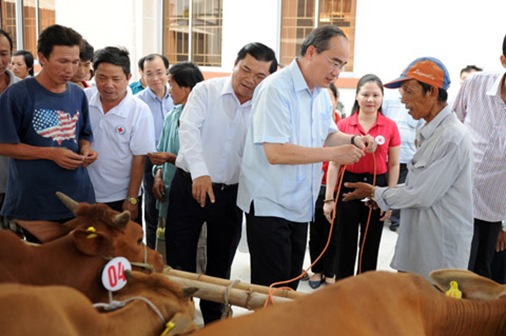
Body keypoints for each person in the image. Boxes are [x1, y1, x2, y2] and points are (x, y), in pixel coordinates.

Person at [237, 25, 376, 291]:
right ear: (311, 52)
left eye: (343, 65)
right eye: (334, 62)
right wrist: (335, 153)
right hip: (270, 205)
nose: (337, 72)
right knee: (271, 293)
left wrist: (353, 140)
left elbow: (326, 135)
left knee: (289, 288)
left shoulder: (322, 95)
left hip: (300, 205)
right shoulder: (276, 88)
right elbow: (275, 152)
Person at [165, 42, 277, 325]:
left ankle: (214, 323)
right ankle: (180, 319)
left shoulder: (265, 106)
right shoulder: (207, 91)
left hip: (229, 196)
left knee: (219, 265)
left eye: (260, 76)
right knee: (180, 262)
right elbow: (188, 129)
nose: (250, 80)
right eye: (246, 70)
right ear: (235, 64)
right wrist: (200, 172)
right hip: (189, 186)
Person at [343, 57, 474, 281]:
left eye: (409, 92)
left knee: (433, 312)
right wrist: (384, 195)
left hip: (438, 253)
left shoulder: (452, 137)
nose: (403, 100)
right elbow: (419, 185)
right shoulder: (430, 132)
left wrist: (375, 192)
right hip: (419, 244)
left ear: (432, 91)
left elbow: (422, 195)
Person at [0, 25, 97, 241]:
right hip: (36, 202)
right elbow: (4, 145)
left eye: (75, 62)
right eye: (63, 62)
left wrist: (86, 150)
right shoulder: (17, 95)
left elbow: (85, 134)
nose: (70, 69)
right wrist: (51, 153)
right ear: (42, 58)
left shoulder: (78, 93)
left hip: (78, 198)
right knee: (45, 269)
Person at [326, 74, 400, 281]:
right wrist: (329, 198)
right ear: (357, 96)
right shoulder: (344, 126)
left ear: (382, 98)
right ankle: (343, 289)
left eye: (376, 95)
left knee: (370, 242)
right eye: (365, 94)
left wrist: (389, 198)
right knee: (345, 242)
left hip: (377, 188)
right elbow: (334, 164)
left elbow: (394, 164)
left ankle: (365, 290)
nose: (370, 99)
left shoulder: (390, 126)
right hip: (348, 184)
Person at [453, 35, 506, 280]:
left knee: (482, 279)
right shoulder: (476, 85)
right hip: (457, 202)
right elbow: (451, 130)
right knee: (452, 275)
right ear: (503, 61)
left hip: (495, 215)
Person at [85, 47, 155, 225]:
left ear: (128, 78)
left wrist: (132, 198)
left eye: (116, 79)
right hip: (84, 193)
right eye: (102, 77)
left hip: (119, 196)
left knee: (122, 250)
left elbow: (139, 158)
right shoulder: (84, 99)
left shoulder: (139, 110)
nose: (109, 85)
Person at [149, 61, 203, 223]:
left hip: (191, 197)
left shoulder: (203, 118)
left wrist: (170, 158)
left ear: (186, 88)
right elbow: (161, 151)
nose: (169, 91)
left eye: (171, 86)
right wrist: (158, 174)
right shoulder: (172, 115)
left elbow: (201, 163)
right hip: (168, 193)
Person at [307, 81, 343, 288]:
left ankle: (331, 272)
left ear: (336, 100)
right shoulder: (310, 123)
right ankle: (316, 271)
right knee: (315, 232)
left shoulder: (341, 126)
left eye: (329, 97)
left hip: (333, 188)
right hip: (312, 186)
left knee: (333, 232)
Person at [136, 53, 174, 249]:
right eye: (149, 73)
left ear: (167, 72)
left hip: (176, 161)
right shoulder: (137, 102)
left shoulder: (178, 97)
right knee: (153, 212)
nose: (155, 78)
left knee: (176, 213)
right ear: (142, 75)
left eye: (159, 72)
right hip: (150, 161)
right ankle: (152, 255)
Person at [382, 89, 424, 231]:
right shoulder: (387, 98)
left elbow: (420, 130)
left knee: (402, 188)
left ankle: (396, 221)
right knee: (387, 185)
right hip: (387, 155)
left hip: (408, 154)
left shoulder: (417, 100)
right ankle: (382, 213)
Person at [0, 29, 22, 234]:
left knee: (14, 252)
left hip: (16, 187)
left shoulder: (25, 91)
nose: (0, 60)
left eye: (3, 53)